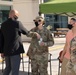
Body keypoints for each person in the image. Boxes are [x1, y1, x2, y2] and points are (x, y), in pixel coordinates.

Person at [0, 9, 29, 75]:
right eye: (17, 15)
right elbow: (26, 32)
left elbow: (1, 39)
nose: (17, 17)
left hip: (6, 51)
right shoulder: (17, 23)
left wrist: (1, 51)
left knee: (8, 68)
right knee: (15, 70)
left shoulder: (3, 24)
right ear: (13, 15)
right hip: (15, 50)